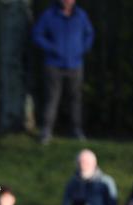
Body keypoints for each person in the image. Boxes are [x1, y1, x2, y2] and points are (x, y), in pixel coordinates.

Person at [32, 0, 94, 143]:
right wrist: (51, 48)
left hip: (75, 65)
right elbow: (37, 35)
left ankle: (76, 130)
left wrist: (82, 49)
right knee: (52, 99)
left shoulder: (81, 15)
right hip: (53, 65)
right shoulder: (49, 15)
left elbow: (89, 34)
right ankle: (46, 131)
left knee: (75, 99)